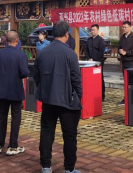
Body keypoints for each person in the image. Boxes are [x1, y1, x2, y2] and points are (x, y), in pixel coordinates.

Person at [33, 20, 82, 173]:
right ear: (67, 34)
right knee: (69, 135)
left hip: (48, 99)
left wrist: (44, 89)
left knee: (47, 133)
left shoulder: (42, 52)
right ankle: (69, 168)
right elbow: (76, 79)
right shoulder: (70, 54)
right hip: (67, 101)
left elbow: (36, 76)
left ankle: (46, 166)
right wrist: (78, 97)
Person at [0, 30, 29, 156]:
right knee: (15, 117)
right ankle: (13, 146)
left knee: (1, 116)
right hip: (15, 89)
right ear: (17, 40)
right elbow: (24, 73)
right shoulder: (21, 55)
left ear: (6, 41)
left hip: (1, 89)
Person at [117, 21, 133, 105]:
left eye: (125, 27)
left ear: (130, 27)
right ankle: (126, 98)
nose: (124, 29)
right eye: (123, 27)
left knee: (132, 81)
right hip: (124, 62)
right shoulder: (122, 37)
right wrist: (120, 51)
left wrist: (126, 53)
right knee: (126, 81)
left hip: (131, 62)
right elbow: (119, 48)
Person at [85, 24, 106, 101]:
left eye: (94, 30)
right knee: (91, 78)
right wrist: (88, 58)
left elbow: (101, 52)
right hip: (90, 62)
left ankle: (102, 95)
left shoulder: (101, 40)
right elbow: (86, 50)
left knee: (99, 78)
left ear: (97, 30)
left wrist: (94, 59)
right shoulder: (89, 40)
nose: (92, 31)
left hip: (98, 62)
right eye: (91, 30)